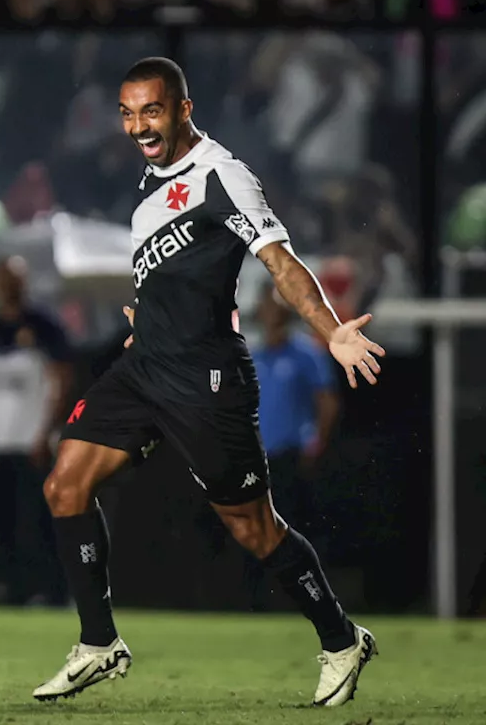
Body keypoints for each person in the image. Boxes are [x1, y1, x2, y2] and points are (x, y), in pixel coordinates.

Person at [33, 57, 383, 707]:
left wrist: (330, 330)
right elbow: (172, 272)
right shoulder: (146, 182)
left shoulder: (222, 176)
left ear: (184, 110)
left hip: (207, 378)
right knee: (64, 485)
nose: (139, 125)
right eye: (129, 112)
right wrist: (147, 313)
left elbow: (279, 260)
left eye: (153, 111)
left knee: (252, 527)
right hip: (145, 369)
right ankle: (98, 642)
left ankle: (340, 639)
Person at [0, 255, 72, 606]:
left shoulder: (45, 328)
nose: (9, 286)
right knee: (1, 521)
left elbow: (63, 382)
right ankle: (16, 591)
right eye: (4, 279)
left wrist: (48, 432)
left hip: (30, 442)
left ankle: (53, 591)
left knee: (38, 521)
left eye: (16, 279)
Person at [245, 282, 340, 609]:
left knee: (292, 530)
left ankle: (304, 600)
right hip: (256, 461)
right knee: (254, 531)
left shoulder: (305, 353)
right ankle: (259, 601)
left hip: (290, 457)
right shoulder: (251, 355)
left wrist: (316, 442)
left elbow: (327, 401)